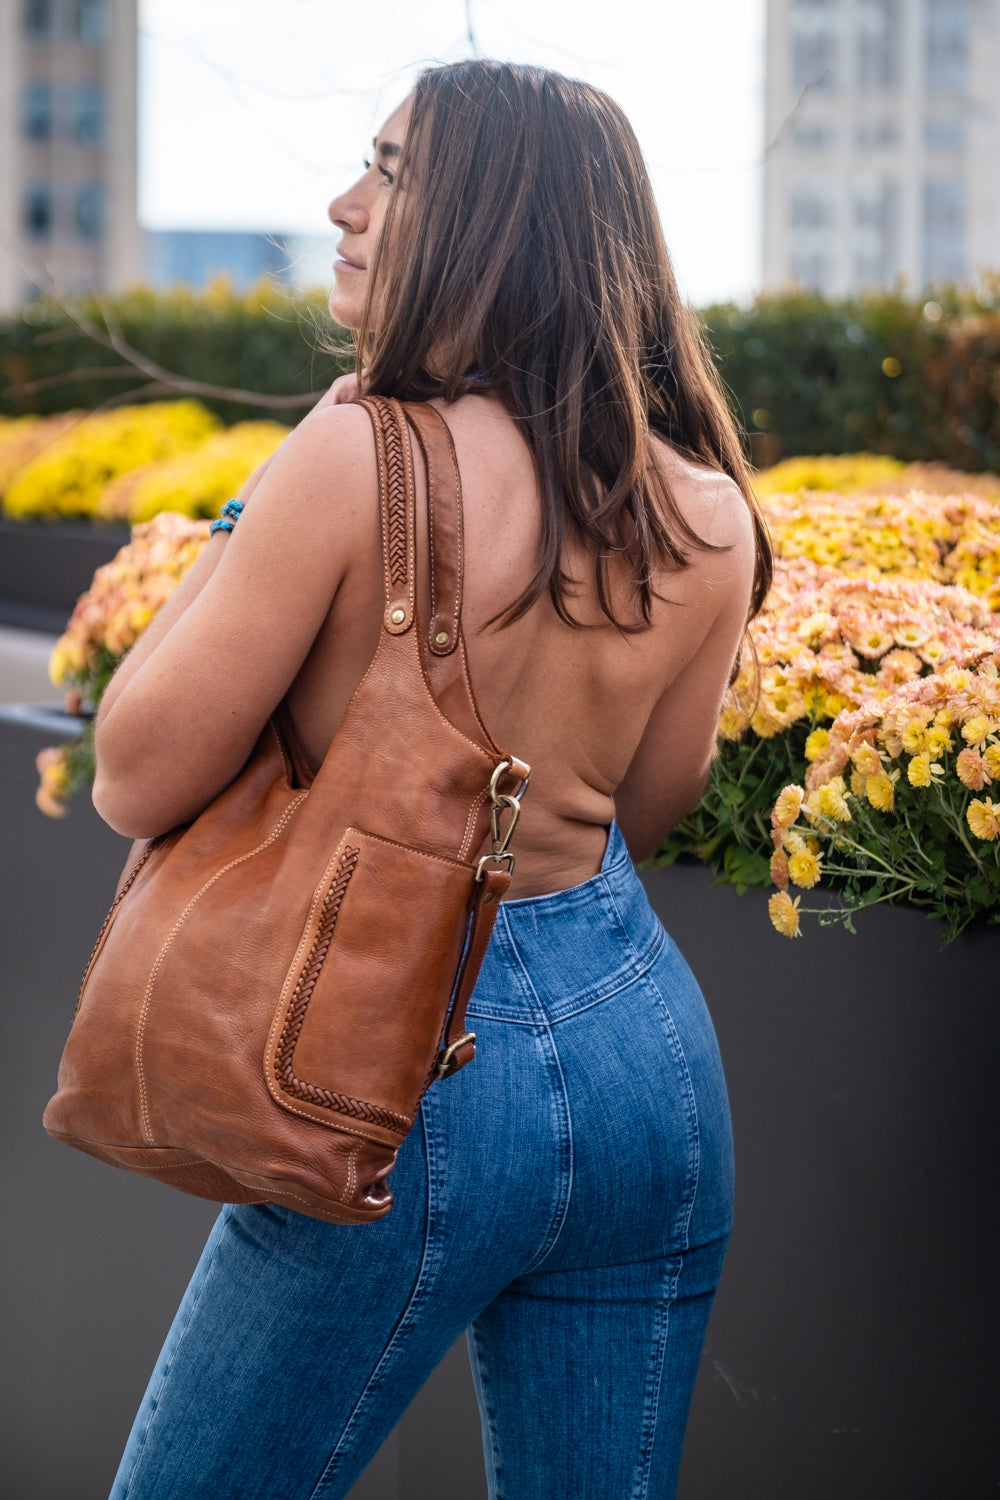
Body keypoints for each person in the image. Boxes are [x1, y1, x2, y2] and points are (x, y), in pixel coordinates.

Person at [97, 59, 771, 1500]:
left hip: (399, 1070)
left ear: (487, 215)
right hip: (649, 1066)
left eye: (390, 174)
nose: (344, 207)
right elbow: (637, 816)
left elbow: (134, 773)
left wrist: (249, 506)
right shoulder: (708, 516)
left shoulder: (356, 456)